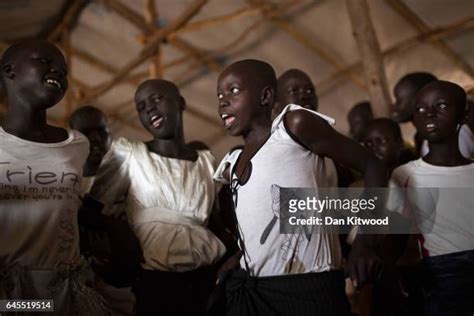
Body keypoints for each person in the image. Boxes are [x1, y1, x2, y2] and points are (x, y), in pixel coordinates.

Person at [214, 59, 387, 315]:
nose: (223, 101)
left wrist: (366, 242)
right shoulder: (233, 162)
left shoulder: (292, 127)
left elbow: (375, 168)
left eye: (234, 91)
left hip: (310, 289)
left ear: (265, 96)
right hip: (257, 292)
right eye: (219, 95)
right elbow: (272, 221)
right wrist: (240, 255)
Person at [89, 79, 226, 315]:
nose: (149, 109)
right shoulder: (130, 155)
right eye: (141, 107)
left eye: (156, 99)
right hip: (155, 281)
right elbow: (91, 209)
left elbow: (215, 221)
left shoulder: (206, 162)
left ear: (180, 103)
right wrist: (122, 242)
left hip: (208, 278)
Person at [0, 39, 108, 314]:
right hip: (9, 290)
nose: (58, 72)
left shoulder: (77, 144)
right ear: (9, 71)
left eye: (63, 70)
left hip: (63, 288)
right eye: (46, 61)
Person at [387, 80, 474, 315]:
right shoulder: (405, 175)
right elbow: (395, 236)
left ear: (464, 117)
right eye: (420, 109)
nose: (430, 114)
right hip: (442, 277)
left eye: (442, 106)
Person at [69, 105, 136, 315]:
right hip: (76, 288)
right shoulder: (63, 183)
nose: (96, 139)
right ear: (72, 137)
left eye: (102, 131)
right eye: (87, 133)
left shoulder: (130, 179)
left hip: (122, 290)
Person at [273, 68, 337, 187]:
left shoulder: (329, 140)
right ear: (276, 105)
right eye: (294, 91)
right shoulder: (273, 148)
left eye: (309, 90)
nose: (304, 96)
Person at [392, 72, 437, 155]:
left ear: (418, 99)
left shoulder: (441, 140)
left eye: (399, 100)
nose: (394, 107)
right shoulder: (420, 137)